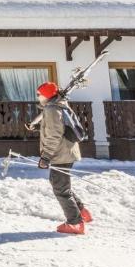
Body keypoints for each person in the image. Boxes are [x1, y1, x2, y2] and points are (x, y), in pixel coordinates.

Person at [36, 81, 93, 235]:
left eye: (39, 94)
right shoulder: (60, 106)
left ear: (47, 95)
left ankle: (75, 223)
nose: (38, 97)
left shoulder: (52, 110)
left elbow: (54, 135)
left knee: (60, 189)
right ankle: (82, 212)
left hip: (60, 154)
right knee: (61, 185)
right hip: (66, 152)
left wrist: (46, 156)